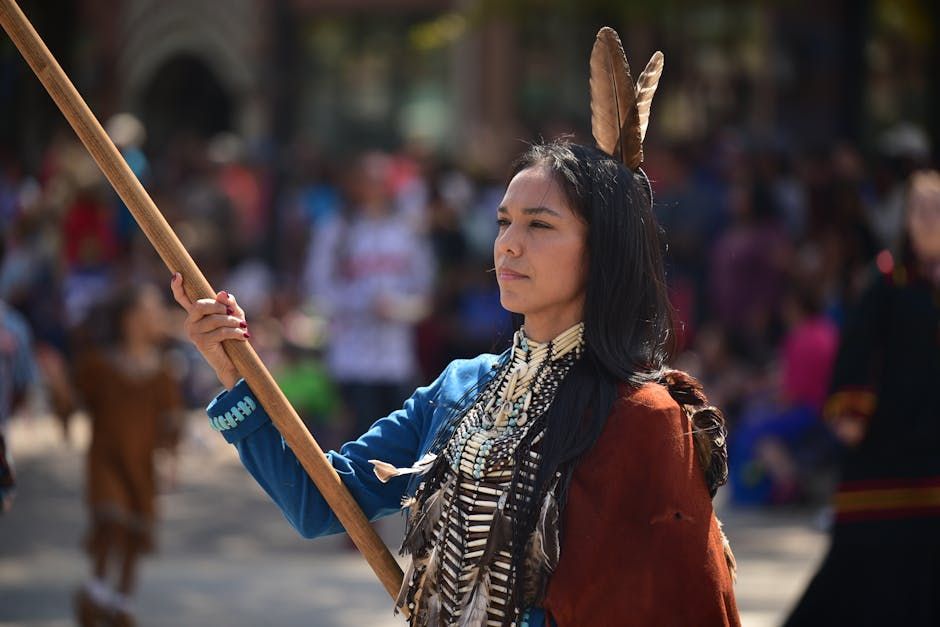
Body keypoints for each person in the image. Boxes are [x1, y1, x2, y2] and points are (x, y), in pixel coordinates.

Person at [171, 28, 739, 626]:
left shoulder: (646, 418)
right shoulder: (463, 387)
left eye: (539, 225)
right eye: (503, 222)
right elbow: (319, 503)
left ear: (604, 252)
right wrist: (234, 373)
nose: (509, 245)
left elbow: (685, 604)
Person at [784, 170, 940, 626]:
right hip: (884, 450)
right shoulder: (887, 282)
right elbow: (856, 352)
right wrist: (850, 412)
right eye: (919, 208)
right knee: (861, 567)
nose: (927, 217)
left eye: (936, 208)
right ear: (906, 219)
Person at [72, 283, 184, 627]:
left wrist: (171, 460)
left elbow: (171, 421)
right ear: (129, 318)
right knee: (111, 519)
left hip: (142, 465)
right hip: (106, 459)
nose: (158, 318)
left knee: (136, 531)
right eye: (151, 311)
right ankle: (96, 591)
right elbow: (75, 401)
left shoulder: (163, 370)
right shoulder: (100, 365)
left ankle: (121, 601)